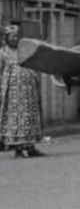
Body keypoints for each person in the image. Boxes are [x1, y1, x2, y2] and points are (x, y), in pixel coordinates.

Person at [0, 23, 45, 158]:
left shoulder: (25, 50)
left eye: (17, 36)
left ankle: (31, 148)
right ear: (6, 38)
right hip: (12, 94)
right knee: (16, 120)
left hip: (29, 92)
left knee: (30, 118)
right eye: (12, 36)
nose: (15, 39)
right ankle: (18, 150)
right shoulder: (2, 52)